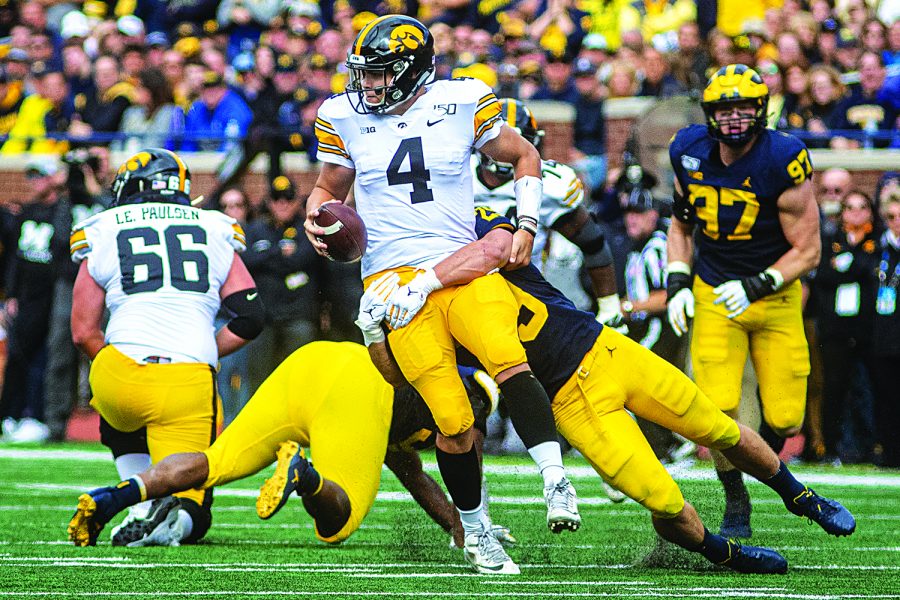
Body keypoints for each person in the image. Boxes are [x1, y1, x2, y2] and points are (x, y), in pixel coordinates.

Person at [369, 207, 856, 574]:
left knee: (717, 427)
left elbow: (502, 240)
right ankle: (721, 551)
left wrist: (435, 270)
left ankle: (800, 496)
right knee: (661, 499)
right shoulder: (401, 293)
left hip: (603, 348)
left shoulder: (467, 230)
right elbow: (401, 374)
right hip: (568, 402)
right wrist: (374, 330)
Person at [303, 14, 578, 575]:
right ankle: (476, 532)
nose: (369, 85)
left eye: (380, 74)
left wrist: (526, 224)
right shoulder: (343, 116)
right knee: (451, 421)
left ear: (411, 70)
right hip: (389, 278)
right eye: (366, 74)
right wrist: (316, 219)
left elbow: (525, 156)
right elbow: (328, 187)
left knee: (507, 355)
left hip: (459, 264)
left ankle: (556, 478)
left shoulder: (462, 99)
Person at [66, 148, 265, 547]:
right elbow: (250, 316)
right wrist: (201, 349)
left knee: (115, 407)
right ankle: (173, 520)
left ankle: (139, 510)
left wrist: (116, 365)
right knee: (194, 498)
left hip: (121, 372)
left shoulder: (102, 226)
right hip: (187, 379)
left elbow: (83, 331)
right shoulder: (216, 226)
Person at [665, 64, 821, 539]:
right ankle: (736, 497)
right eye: (723, 109)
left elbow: (809, 249)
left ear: (761, 110)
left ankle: (758, 466)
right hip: (714, 291)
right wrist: (677, 281)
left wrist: (758, 283)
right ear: (709, 113)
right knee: (717, 410)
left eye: (743, 107)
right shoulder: (688, 151)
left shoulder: (784, 158)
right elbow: (681, 225)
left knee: (786, 416)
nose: (733, 118)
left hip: (773, 295)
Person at [472, 98, 626, 330]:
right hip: (464, 292)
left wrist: (609, 307)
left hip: (525, 299)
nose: (509, 150)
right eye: (503, 141)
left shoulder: (548, 184)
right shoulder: (455, 175)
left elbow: (592, 242)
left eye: (519, 141)